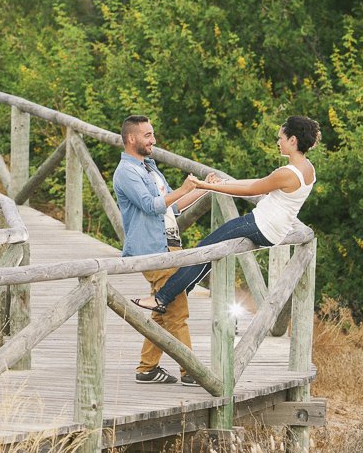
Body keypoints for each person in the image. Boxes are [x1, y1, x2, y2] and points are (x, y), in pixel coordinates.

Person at [132, 115, 320, 315]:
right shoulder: (307, 168)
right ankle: (180, 291)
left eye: (281, 138)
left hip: (261, 225)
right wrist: (221, 184)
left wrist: (205, 186)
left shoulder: (287, 173)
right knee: (210, 252)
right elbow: (259, 182)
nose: (278, 142)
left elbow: (252, 190)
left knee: (204, 248)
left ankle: (161, 298)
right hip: (274, 228)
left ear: (293, 140)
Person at [113, 115, 210, 385]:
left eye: (152, 134)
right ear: (131, 139)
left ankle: (147, 368)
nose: (153, 140)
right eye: (147, 135)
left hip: (171, 246)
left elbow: (172, 206)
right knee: (177, 312)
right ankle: (192, 372)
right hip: (151, 251)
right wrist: (182, 188)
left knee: (162, 310)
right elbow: (151, 205)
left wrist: (203, 188)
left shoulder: (150, 169)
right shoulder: (126, 172)